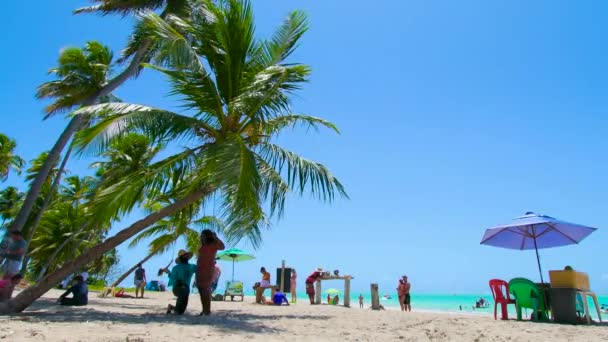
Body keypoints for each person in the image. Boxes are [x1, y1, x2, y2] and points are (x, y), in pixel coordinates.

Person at [196, 229, 225, 316]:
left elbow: (222, 247)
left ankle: (207, 311)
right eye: (201, 235)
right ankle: (204, 309)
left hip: (207, 269)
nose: (201, 236)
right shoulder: (203, 245)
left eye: (203, 235)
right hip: (200, 269)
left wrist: (215, 237)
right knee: (201, 290)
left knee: (205, 290)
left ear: (207, 236)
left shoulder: (213, 245)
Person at [166, 250, 197, 315]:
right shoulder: (176, 268)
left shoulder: (192, 266)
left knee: (182, 310)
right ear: (180, 258)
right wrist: (177, 281)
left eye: (186, 256)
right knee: (182, 292)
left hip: (186, 288)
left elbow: (200, 270)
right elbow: (172, 278)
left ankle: (171, 307)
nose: (185, 257)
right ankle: (176, 310)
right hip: (177, 287)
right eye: (183, 256)